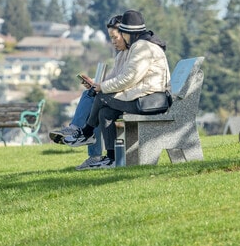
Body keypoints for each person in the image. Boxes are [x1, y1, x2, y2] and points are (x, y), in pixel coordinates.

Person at [63, 9, 171, 169]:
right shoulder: (138, 46)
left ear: (129, 33)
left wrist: (103, 88)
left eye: (123, 33)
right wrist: (99, 86)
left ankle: (86, 133)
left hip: (150, 100)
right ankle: (111, 158)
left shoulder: (142, 47)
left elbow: (129, 78)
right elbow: (122, 78)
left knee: (102, 98)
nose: (122, 37)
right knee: (105, 112)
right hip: (144, 97)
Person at [49, 14, 128, 170]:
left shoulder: (132, 55)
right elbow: (113, 78)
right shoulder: (121, 55)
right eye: (111, 38)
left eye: (115, 37)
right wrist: (95, 85)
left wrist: (101, 87)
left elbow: (126, 80)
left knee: (94, 99)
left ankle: (80, 133)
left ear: (125, 34)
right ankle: (88, 145)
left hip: (129, 99)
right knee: (93, 99)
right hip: (119, 96)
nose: (113, 41)